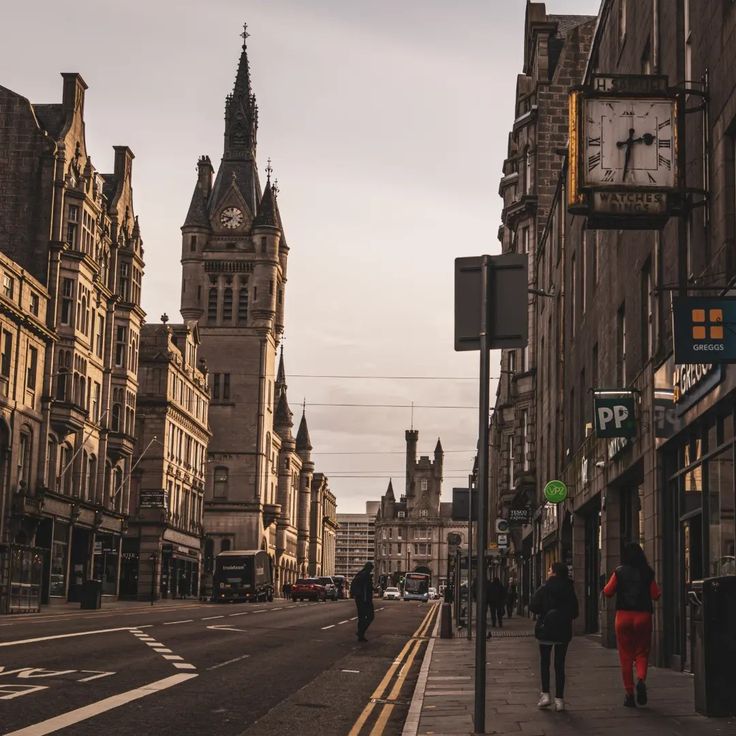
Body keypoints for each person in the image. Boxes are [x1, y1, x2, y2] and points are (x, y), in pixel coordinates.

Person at [603, 542, 661, 708]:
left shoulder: (619, 572)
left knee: (626, 656)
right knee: (642, 652)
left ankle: (629, 694)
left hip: (623, 617)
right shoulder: (647, 572)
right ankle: (641, 679)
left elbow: (607, 591)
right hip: (643, 616)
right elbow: (656, 595)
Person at [530, 562, 579, 712]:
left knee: (545, 663)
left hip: (546, 630)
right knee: (560, 665)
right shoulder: (569, 588)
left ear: (555, 572)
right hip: (563, 632)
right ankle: (560, 700)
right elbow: (575, 612)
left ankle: (545, 696)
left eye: (550, 570)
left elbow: (533, 606)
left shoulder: (545, 587)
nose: (548, 572)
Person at [350, 562, 375, 642]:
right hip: (365, 599)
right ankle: (360, 632)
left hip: (360, 599)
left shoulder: (360, 574)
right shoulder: (365, 575)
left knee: (361, 617)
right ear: (369, 568)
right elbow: (367, 588)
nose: (371, 570)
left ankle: (361, 635)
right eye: (371, 569)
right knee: (370, 616)